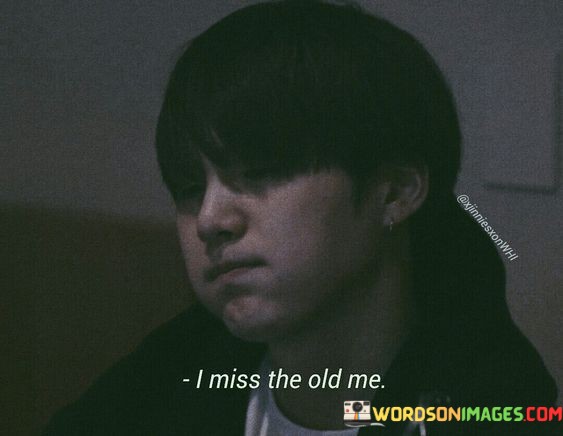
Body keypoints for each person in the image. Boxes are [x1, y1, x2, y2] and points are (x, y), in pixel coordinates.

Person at [43, 1, 557, 434]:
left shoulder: (494, 412)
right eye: (189, 189)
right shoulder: (157, 393)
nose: (209, 219)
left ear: (394, 193)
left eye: (262, 170)